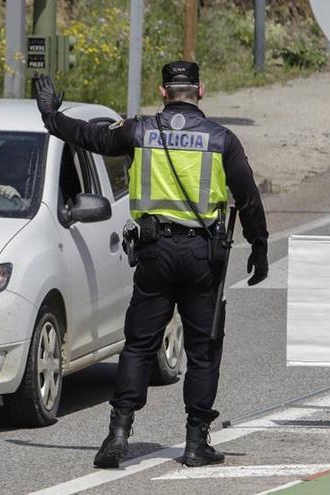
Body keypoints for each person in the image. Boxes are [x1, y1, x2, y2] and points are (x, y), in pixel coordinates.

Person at [33, 61, 269, 469]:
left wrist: (52, 116)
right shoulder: (221, 139)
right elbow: (247, 197)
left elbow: (89, 137)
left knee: (139, 346)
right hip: (201, 259)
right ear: (201, 91)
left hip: (154, 253)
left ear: (162, 92)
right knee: (203, 350)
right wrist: (259, 247)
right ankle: (196, 441)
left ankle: (118, 434)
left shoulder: (138, 131)